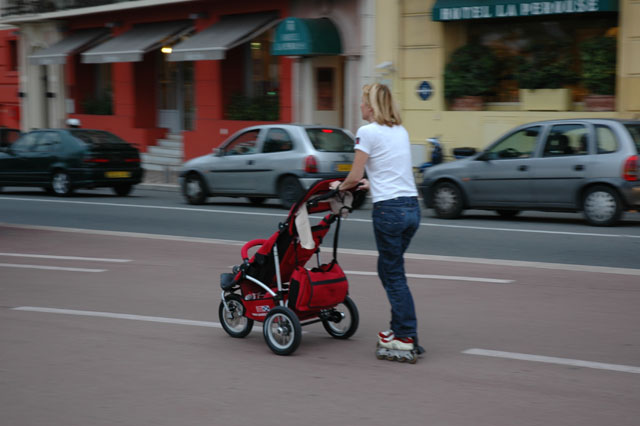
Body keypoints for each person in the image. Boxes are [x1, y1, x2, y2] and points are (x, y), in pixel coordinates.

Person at [331, 83, 422, 363]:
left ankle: (406, 336)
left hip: (389, 212)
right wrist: (374, 183)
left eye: (362, 102)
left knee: (393, 274)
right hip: (411, 208)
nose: (359, 106)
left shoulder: (367, 132)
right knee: (390, 270)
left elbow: (354, 175)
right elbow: (391, 171)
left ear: (371, 106)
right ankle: (399, 330)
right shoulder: (400, 131)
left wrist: (339, 188)